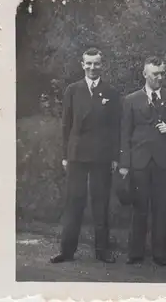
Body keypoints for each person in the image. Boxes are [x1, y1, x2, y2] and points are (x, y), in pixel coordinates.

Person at [50, 47, 121, 264]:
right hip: (77, 154)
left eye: (96, 63)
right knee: (74, 202)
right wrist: (64, 154)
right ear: (82, 65)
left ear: (102, 64)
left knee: (100, 203)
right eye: (88, 63)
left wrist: (115, 156)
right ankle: (67, 251)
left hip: (101, 155)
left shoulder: (111, 92)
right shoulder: (73, 90)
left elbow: (115, 128)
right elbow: (66, 124)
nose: (92, 67)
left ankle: (102, 251)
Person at [118, 56, 166, 266]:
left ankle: (160, 254)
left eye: (162, 73)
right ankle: (135, 253)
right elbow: (124, 134)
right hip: (138, 162)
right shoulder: (131, 100)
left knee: (162, 208)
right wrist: (124, 164)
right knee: (139, 208)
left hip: (163, 162)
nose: (159, 77)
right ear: (145, 74)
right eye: (155, 74)